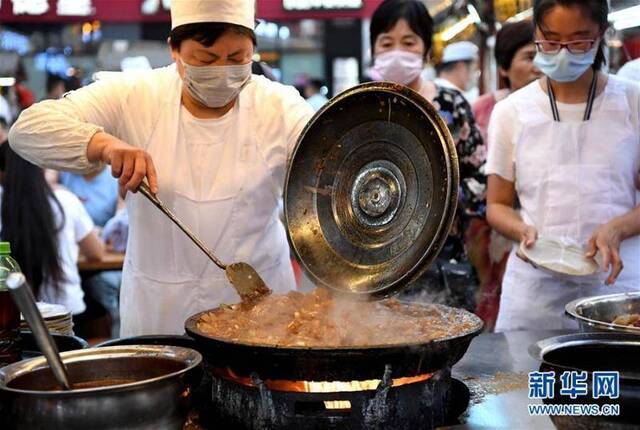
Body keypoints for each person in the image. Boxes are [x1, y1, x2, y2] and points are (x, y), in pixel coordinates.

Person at [9, 0, 314, 336]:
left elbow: (328, 161)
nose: (223, 71)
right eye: (207, 59)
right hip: (159, 313)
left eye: (238, 58)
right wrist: (105, 145)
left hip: (261, 313)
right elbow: (28, 130)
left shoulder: (280, 105)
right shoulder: (135, 95)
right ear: (174, 49)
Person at [486, 0, 640, 331]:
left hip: (617, 288)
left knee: (616, 379)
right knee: (526, 378)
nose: (564, 53)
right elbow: (497, 205)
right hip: (534, 291)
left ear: (601, 34)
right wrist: (521, 229)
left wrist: (618, 228)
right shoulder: (511, 112)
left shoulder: (632, 101)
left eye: (579, 40)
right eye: (551, 41)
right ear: (536, 32)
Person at [369, 0, 485, 310]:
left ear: (427, 51)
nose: (397, 50)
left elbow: (480, 179)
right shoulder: (359, 108)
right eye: (386, 42)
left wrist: (439, 205)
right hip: (372, 266)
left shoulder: (451, 104)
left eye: (408, 42)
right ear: (373, 50)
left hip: (443, 261)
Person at [469, 20, 541, 330]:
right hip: (489, 230)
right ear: (504, 66)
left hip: (534, 231)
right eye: (529, 56)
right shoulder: (485, 110)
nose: (540, 65)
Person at [0, 143, 104, 316]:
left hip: (13, 316)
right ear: (41, 168)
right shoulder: (65, 201)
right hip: (66, 315)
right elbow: (96, 253)